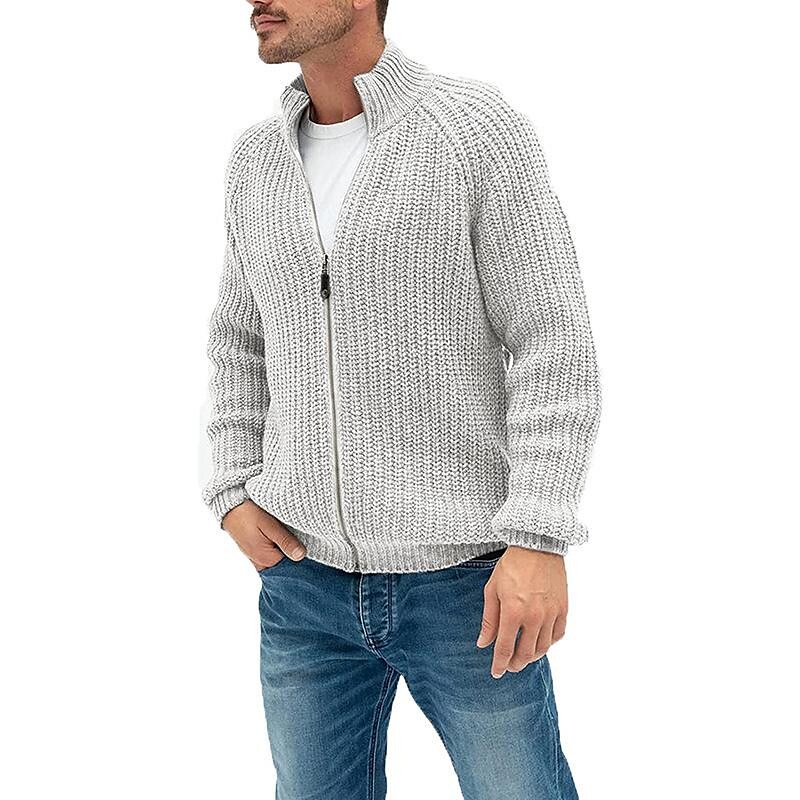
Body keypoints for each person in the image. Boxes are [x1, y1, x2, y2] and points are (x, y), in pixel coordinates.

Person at [201, 1, 601, 797]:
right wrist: (231, 489)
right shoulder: (256, 158)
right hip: (303, 581)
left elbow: (552, 340)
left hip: (466, 582)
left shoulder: (472, 130)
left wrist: (539, 536)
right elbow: (240, 339)